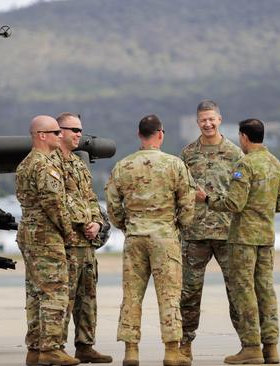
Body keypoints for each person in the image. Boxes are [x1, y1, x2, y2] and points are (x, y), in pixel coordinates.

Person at [105, 114, 195, 366]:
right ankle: (171, 351)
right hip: (165, 238)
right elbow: (188, 205)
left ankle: (131, 351)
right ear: (160, 134)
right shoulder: (175, 165)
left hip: (135, 238)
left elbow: (112, 206)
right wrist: (175, 225)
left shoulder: (123, 166)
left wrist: (128, 225)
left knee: (131, 295)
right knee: (169, 295)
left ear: (139, 135)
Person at [199, 118, 280, 364]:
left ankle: (251, 347)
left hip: (244, 239)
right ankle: (271, 347)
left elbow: (234, 203)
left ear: (244, 137)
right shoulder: (276, 164)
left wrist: (208, 199)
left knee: (244, 291)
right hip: (266, 238)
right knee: (266, 290)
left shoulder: (245, 165)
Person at [178, 100, 244, 361]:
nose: (207, 124)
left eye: (212, 119)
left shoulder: (235, 153)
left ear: (220, 119)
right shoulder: (187, 154)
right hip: (194, 234)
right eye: (203, 120)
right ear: (197, 122)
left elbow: (242, 191)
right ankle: (185, 343)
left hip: (228, 233)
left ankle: (248, 343)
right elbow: (181, 191)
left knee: (237, 291)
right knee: (189, 293)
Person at [15, 115, 79, 366]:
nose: (60, 136)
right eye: (55, 133)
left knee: (35, 293)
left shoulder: (24, 164)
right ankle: (51, 348)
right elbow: (54, 204)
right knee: (55, 291)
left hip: (29, 234)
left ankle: (35, 349)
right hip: (46, 235)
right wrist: (69, 232)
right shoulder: (44, 165)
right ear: (42, 136)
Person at [53, 112, 112, 363]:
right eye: (73, 129)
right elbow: (55, 203)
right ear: (59, 131)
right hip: (65, 242)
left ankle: (85, 345)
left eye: (80, 130)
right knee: (63, 298)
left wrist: (97, 223)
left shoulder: (78, 164)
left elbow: (90, 199)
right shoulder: (50, 163)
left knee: (87, 298)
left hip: (86, 243)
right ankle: (57, 346)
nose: (79, 134)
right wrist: (80, 222)